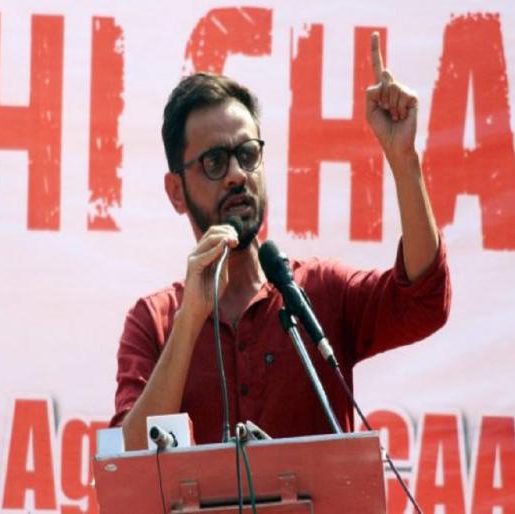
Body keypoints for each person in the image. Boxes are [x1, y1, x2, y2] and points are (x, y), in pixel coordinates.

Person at [110, 33, 450, 450]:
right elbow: (129, 460)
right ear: (175, 191)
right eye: (215, 162)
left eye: (247, 154)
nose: (237, 175)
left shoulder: (317, 292)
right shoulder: (156, 321)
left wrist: (404, 159)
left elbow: (424, 301)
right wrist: (190, 319)